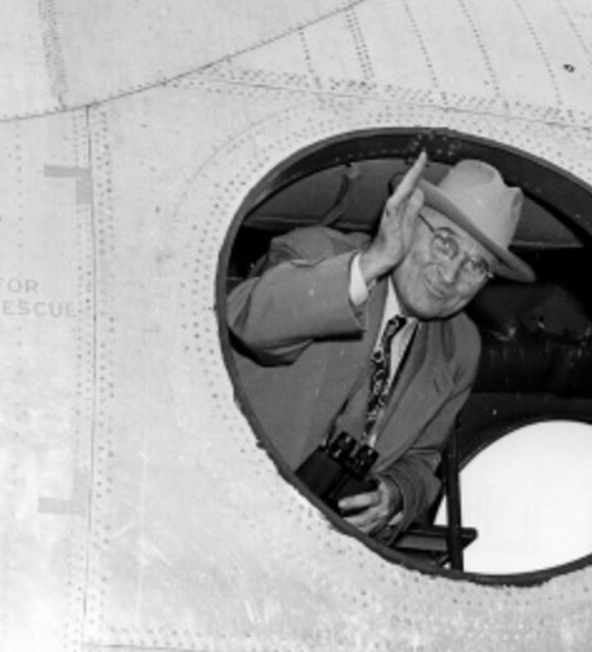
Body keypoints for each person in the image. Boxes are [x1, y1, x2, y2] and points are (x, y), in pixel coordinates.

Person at [226, 152, 533, 542]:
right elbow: (251, 323)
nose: (451, 274)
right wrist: (370, 264)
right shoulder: (315, 253)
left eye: (476, 266)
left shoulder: (461, 346)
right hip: (231, 509)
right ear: (406, 218)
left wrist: (395, 496)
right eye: (444, 243)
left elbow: (422, 461)